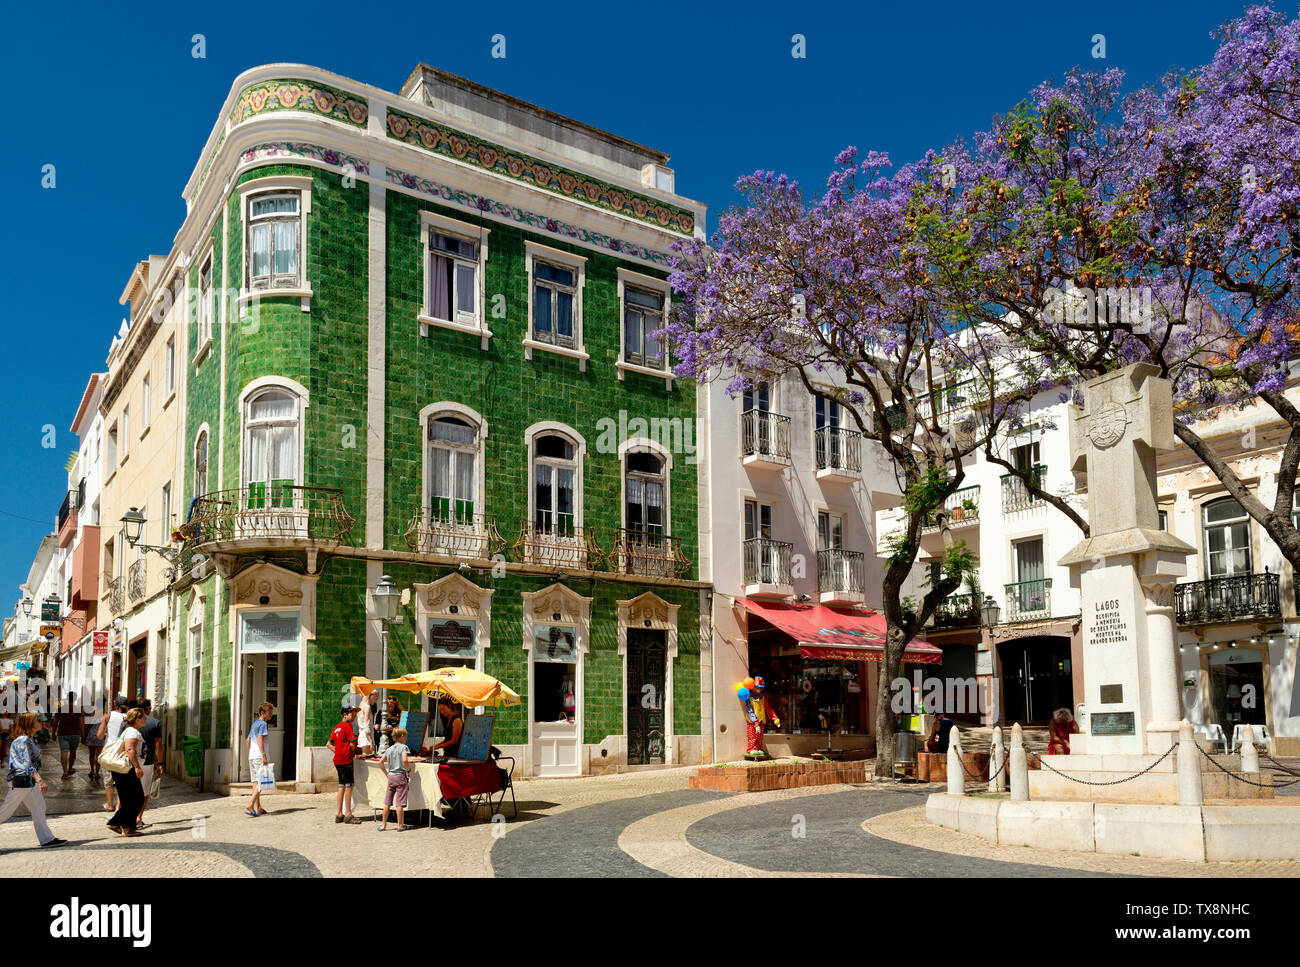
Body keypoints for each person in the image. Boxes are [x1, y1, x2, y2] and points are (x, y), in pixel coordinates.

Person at [0, 712, 67, 848]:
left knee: (39, 807)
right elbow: (26, 764)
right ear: (29, 724)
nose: (40, 723)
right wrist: (39, 780)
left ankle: (47, 839)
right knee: (6, 812)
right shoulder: (23, 740)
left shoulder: (28, 740)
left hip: (27, 782)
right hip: (22, 782)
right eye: (37, 720)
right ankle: (47, 839)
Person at [106, 708, 147, 837]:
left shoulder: (129, 731)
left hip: (121, 769)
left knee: (129, 799)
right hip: (126, 769)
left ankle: (117, 823)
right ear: (137, 719)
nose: (146, 719)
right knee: (137, 797)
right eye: (144, 717)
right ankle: (127, 827)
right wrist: (137, 767)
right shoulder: (133, 732)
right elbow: (130, 749)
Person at [328, 706, 361, 824]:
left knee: (341, 786)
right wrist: (351, 751)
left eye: (355, 716)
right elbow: (353, 743)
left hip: (337, 760)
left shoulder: (337, 727)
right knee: (349, 786)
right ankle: (348, 814)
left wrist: (338, 751)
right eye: (352, 715)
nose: (353, 717)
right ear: (345, 715)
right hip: (346, 760)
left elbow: (328, 744)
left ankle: (338, 813)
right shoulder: (347, 726)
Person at [135, 699, 163, 829]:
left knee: (130, 791)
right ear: (148, 709)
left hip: (130, 761)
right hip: (147, 761)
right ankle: (138, 817)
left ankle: (124, 815)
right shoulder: (155, 723)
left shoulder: (129, 721)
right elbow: (158, 744)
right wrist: (160, 763)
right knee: (145, 792)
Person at [378, 726, 413, 832]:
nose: (406, 739)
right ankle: (400, 825)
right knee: (400, 802)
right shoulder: (404, 747)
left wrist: (386, 773)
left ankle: (383, 825)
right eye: (406, 736)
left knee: (387, 802)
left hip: (391, 777)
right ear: (402, 736)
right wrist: (408, 770)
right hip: (401, 776)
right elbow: (405, 760)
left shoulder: (389, 749)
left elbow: (380, 762)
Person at [98, 696, 128, 812]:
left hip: (109, 752)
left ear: (115, 705)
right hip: (124, 752)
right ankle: (118, 806)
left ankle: (110, 804)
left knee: (108, 780)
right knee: (122, 780)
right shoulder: (129, 717)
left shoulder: (108, 716)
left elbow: (100, 735)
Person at [741, 677, 781, 760]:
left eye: (760, 688)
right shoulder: (749, 698)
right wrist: (755, 722)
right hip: (753, 722)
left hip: (762, 720)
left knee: (759, 736)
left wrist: (775, 719)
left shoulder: (762, 698)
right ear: (753, 687)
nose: (759, 689)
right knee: (753, 736)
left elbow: (768, 709)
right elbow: (749, 710)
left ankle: (759, 748)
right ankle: (752, 749)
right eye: (757, 687)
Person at [246, 702, 274, 817]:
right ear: (263, 713)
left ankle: (258, 808)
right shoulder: (263, 724)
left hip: (252, 757)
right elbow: (260, 740)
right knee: (262, 782)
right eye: (270, 713)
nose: (271, 715)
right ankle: (250, 804)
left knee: (256, 782)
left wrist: (251, 753)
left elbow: (247, 740)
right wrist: (263, 756)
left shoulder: (254, 724)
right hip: (259, 756)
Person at [53, 691, 84, 780]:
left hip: (62, 734)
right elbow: (81, 724)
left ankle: (65, 772)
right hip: (75, 734)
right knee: (73, 751)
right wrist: (83, 735)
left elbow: (55, 723)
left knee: (64, 751)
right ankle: (70, 768)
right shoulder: (77, 709)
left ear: (67, 698)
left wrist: (53, 733)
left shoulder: (60, 709)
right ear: (75, 699)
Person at [83, 696, 105, 785]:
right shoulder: (105, 713)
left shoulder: (92, 712)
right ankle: (97, 772)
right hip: (100, 735)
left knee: (91, 754)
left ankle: (92, 770)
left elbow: (87, 725)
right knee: (98, 755)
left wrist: (84, 735)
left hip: (92, 735)